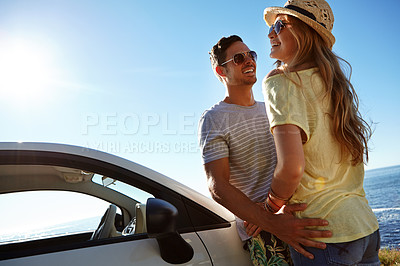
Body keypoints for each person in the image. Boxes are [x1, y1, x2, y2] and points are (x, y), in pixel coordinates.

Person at [261, 0, 380, 264]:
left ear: (304, 33)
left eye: (280, 24)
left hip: (322, 234)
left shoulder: (281, 82)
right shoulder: (334, 84)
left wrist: (269, 210)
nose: (270, 33)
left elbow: (291, 167)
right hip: (365, 227)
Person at [198, 35, 332, 265]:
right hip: (266, 232)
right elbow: (217, 185)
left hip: (301, 216)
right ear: (222, 72)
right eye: (239, 58)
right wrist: (270, 220)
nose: (249, 61)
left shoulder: (271, 109)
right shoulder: (214, 119)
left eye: (252, 55)